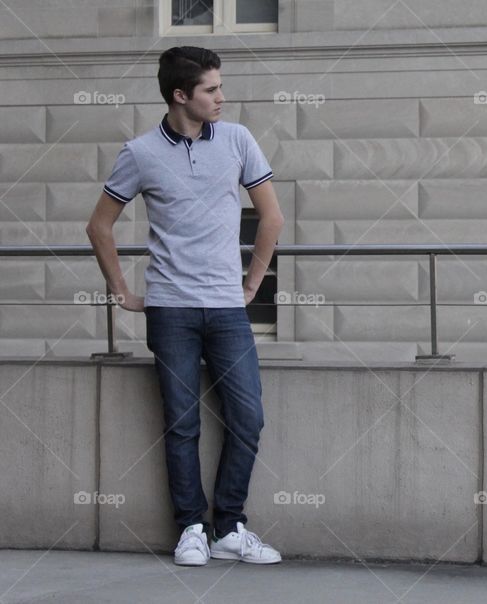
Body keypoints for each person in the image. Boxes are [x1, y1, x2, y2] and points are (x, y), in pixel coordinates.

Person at [86, 46, 284, 566]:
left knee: (248, 417)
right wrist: (120, 291)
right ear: (180, 95)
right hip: (170, 308)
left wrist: (251, 285)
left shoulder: (237, 139)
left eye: (220, 87)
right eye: (211, 89)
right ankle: (192, 528)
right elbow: (99, 225)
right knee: (181, 423)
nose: (221, 97)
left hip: (226, 308)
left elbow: (272, 218)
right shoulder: (140, 152)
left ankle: (230, 527)